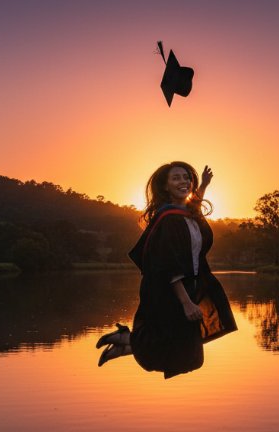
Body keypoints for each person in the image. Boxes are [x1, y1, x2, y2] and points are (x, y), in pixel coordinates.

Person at [96, 161, 237, 378]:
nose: (184, 181)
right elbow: (168, 262)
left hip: (188, 287)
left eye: (187, 177)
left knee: (188, 354)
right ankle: (128, 342)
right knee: (181, 354)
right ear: (165, 186)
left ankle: (126, 342)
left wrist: (204, 185)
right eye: (176, 178)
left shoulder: (185, 214)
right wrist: (186, 302)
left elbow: (191, 208)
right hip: (169, 291)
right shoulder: (168, 219)